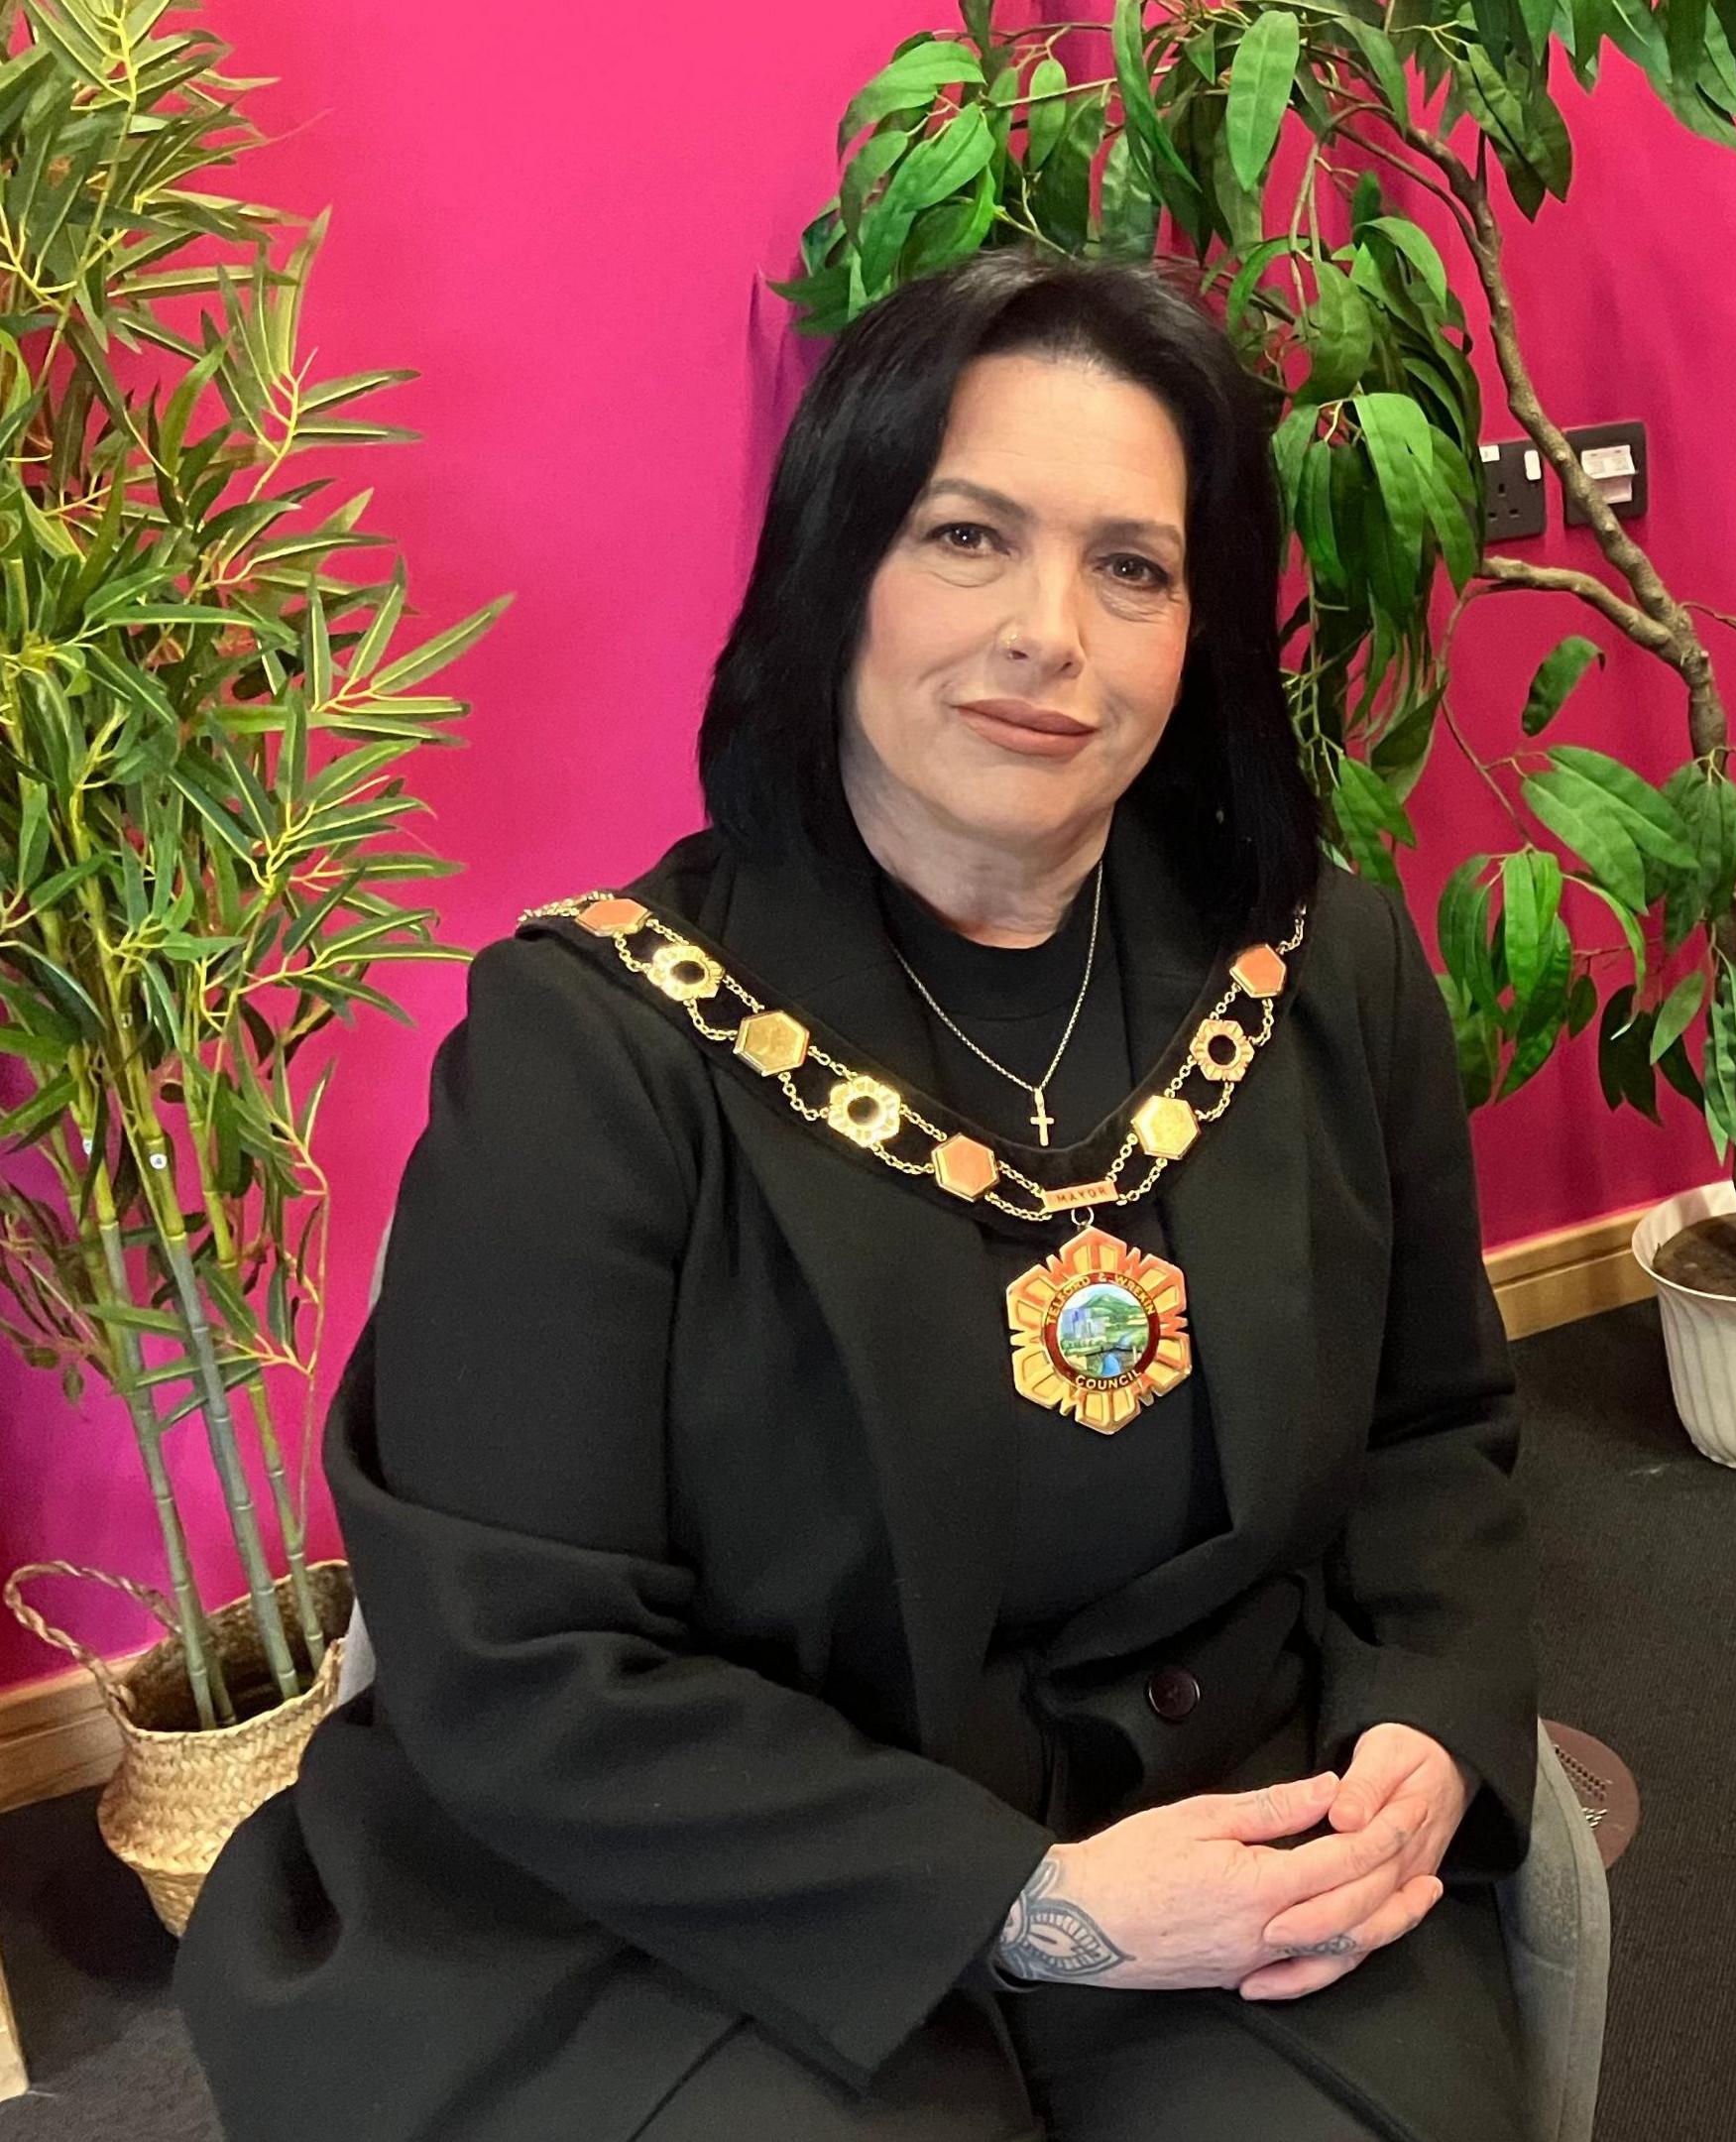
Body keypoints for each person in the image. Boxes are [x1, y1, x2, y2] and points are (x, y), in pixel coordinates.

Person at [175, 253, 1538, 2142]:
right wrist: (1028, 1907)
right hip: (690, 1900)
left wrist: (1426, 1723)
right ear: (836, 573)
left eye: (1134, 567)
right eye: (968, 536)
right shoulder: (594, 1047)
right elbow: (527, 1669)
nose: (1052, 634)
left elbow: (1433, 1434)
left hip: (1225, 1821)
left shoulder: (1321, 968)